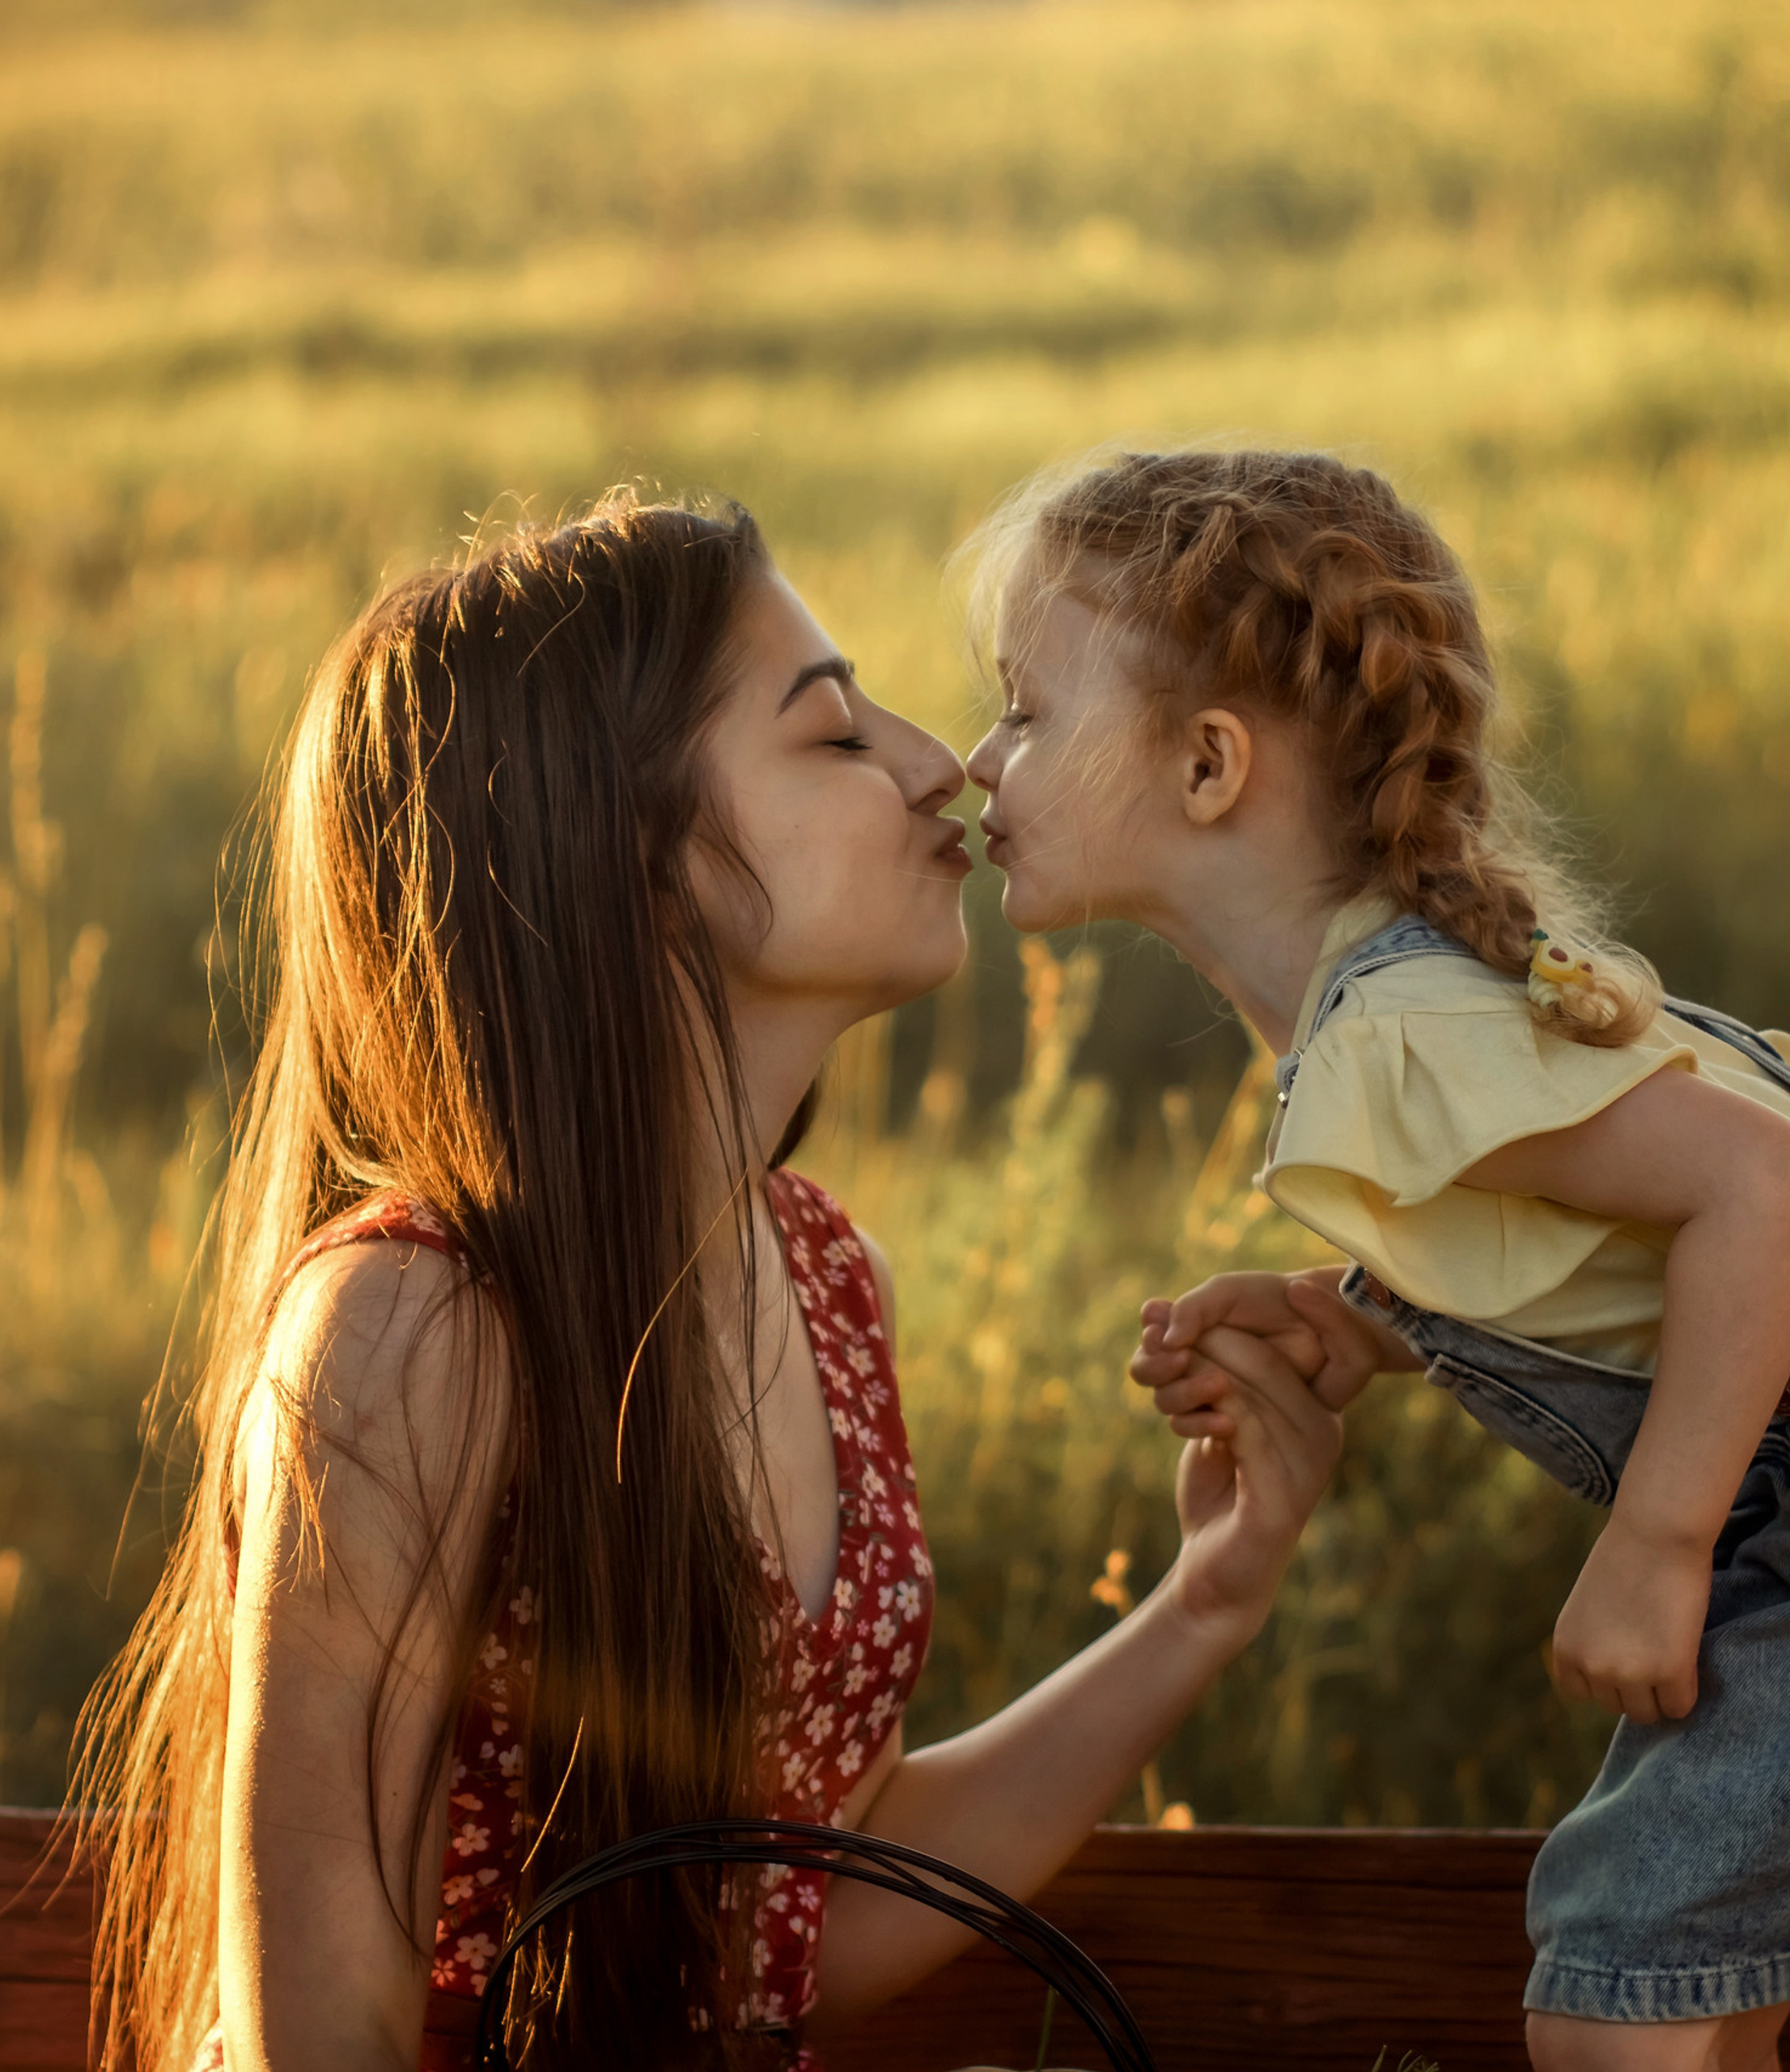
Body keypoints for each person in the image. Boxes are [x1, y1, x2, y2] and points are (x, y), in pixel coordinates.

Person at [72, 494, 1345, 2072]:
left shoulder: (825, 1278)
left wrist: (1203, 1599)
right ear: (630, 851)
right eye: (828, 733)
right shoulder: (415, 1325)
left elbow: (805, 1913)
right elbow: (314, 2009)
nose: (936, 761)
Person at [961, 448, 1790, 2072]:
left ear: (1207, 766)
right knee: (1679, 1986)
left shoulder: (1397, 1030)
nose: (976, 757)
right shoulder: (1409, 992)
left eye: (1020, 710)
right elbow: (1604, 1228)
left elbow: (1764, 1189)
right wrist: (1367, 1317)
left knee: (1617, 1995)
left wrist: (1657, 1537)